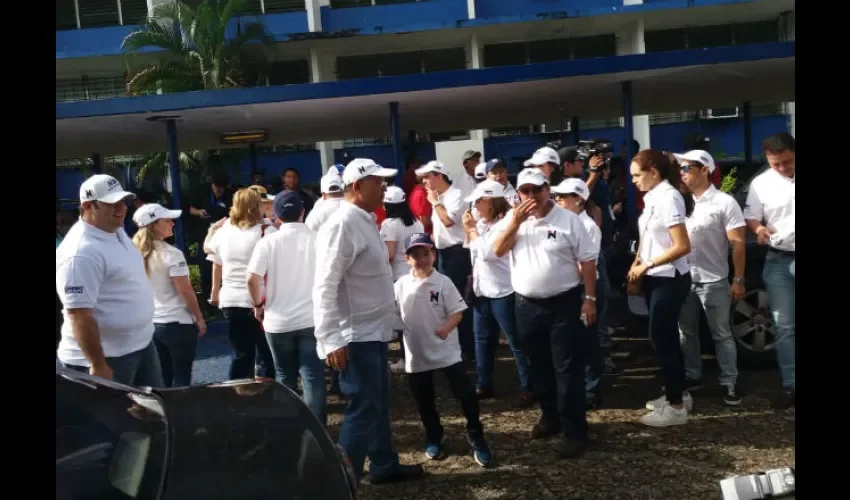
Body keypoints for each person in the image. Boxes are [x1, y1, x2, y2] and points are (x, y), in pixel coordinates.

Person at [313, 158, 424, 484]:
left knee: (377, 404)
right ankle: (340, 482)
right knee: (364, 406)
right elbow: (324, 283)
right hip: (355, 334)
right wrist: (331, 337)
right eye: (378, 182)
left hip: (372, 330)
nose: (384, 188)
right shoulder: (342, 224)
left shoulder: (362, 220)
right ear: (358, 187)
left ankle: (383, 464)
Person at [492, 168, 598, 458]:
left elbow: (587, 262)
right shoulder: (514, 220)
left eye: (536, 190)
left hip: (563, 302)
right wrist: (514, 222)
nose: (530, 197)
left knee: (566, 368)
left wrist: (589, 298)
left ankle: (575, 430)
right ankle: (550, 416)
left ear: (547, 189)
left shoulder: (568, 221)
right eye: (524, 191)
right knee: (539, 366)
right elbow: (498, 250)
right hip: (526, 304)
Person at [394, 232, 493, 467]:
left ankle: (476, 435)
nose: (421, 259)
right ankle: (434, 435)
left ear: (434, 255)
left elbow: (458, 312)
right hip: (416, 353)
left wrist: (446, 328)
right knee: (424, 400)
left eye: (425, 253)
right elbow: (393, 312)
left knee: (466, 395)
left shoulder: (443, 282)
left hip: (446, 351)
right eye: (415, 255)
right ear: (407, 259)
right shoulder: (400, 284)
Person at [56, 174, 163, 386]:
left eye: (122, 201)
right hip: (108, 358)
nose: (120, 208)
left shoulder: (114, 231)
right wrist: (97, 363)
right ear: (88, 206)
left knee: (152, 414)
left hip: (139, 345)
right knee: (113, 418)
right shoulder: (80, 253)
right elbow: (79, 315)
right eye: (110, 203)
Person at [672, 150, 746, 407]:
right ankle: (693, 375)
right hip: (684, 277)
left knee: (721, 333)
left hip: (714, 278)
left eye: (686, 168)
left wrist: (738, 279)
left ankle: (729, 381)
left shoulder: (725, 202)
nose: (682, 173)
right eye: (680, 168)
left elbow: (737, 242)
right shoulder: (681, 202)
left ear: (704, 169)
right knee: (686, 332)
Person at [627, 149, 694, 427]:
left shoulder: (668, 197)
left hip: (669, 276)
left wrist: (647, 264)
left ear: (653, 172)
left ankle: (676, 406)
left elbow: (682, 245)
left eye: (637, 175)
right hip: (658, 275)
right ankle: (677, 393)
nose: (633, 181)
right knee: (663, 338)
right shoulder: (655, 196)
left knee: (662, 339)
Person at [247, 192, 326, 424]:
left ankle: (290, 429)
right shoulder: (317, 239)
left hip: (278, 321)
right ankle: (318, 431)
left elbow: (252, 278)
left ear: (277, 215)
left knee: (284, 377)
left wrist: (258, 304)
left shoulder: (268, 242)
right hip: (311, 319)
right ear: (303, 212)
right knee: (313, 377)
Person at [460, 180, 532, 406]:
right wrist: (472, 231)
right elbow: (472, 251)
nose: (474, 207)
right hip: (482, 289)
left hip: (503, 290)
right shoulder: (482, 223)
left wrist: (471, 231)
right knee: (482, 338)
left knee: (515, 340)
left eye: (478, 202)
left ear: (489, 201)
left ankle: (528, 386)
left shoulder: (507, 221)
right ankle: (484, 383)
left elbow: (488, 253)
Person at [743, 132, 795, 409]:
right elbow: (751, 215)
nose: (783, 168)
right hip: (778, 258)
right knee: (784, 326)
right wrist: (759, 228)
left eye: (788, 162)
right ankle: (791, 385)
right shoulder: (761, 183)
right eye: (777, 164)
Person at [204, 188, 277, 381]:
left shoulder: (225, 229)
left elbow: (209, 250)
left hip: (231, 300)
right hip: (258, 300)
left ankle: (237, 395)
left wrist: (213, 229)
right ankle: (264, 396)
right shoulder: (266, 231)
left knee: (241, 354)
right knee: (266, 355)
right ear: (256, 206)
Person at [132, 203, 207, 387]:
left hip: (151, 324)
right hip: (177, 323)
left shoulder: (133, 254)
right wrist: (199, 318)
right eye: (167, 221)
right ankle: (180, 414)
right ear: (154, 225)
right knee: (182, 376)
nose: (172, 223)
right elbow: (185, 290)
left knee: (161, 378)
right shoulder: (172, 254)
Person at [551, 178, 606, 409]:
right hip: (571, 288)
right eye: (557, 197)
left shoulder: (588, 226)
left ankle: (592, 388)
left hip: (586, 288)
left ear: (579, 201)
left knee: (588, 340)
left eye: (564, 197)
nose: (559, 201)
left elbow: (586, 264)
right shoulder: (565, 224)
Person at [415, 160, 475, 361]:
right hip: (443, 253)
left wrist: (434, 203)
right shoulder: (439, 197)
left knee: (459, 301)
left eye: (427, 176)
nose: (424, 181)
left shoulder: (455, 195)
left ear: (439, 176)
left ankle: (468, 348)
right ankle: (457, 344)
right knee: (446, 300)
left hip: (457, 254)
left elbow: (449, 221)